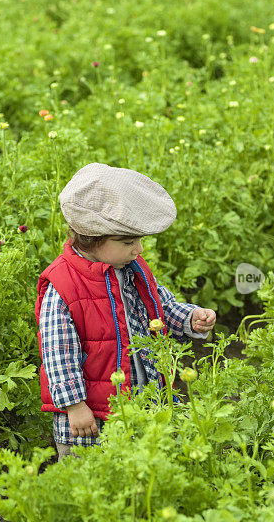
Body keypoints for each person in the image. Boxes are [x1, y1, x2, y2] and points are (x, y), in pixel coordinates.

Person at [35, 162, 217, 459]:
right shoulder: (64, 286)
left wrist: (190, 318)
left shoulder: (130, 269)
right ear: (93, 238)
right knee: (89, 478)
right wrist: (74, 406)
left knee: (142, 468)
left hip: (141, 397)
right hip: (91, 416)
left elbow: (160, 307)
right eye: (128, 241)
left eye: (139, 240)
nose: (139, 249)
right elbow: (57, 353)